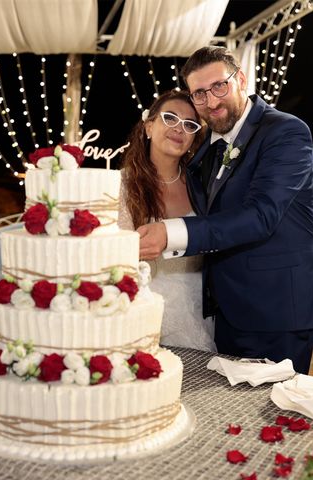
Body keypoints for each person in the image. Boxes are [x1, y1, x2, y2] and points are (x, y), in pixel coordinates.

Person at [137, 47, 313, 374]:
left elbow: (263, 214)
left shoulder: (286, 131)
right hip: (225, 311)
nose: (211, 102)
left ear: (240, 79)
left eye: (219, 87)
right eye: (199, 94)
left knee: (275, 411)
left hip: (277, 309)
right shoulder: (207, 147)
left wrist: (171, 232)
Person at [118, 90, 216, 351]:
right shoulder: (121, 186)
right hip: (141, 313)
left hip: (200, 314)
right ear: (149, 126)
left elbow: (232, 228)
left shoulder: (204, 187)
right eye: (170, 118)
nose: (178, 129)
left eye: (189, 125)